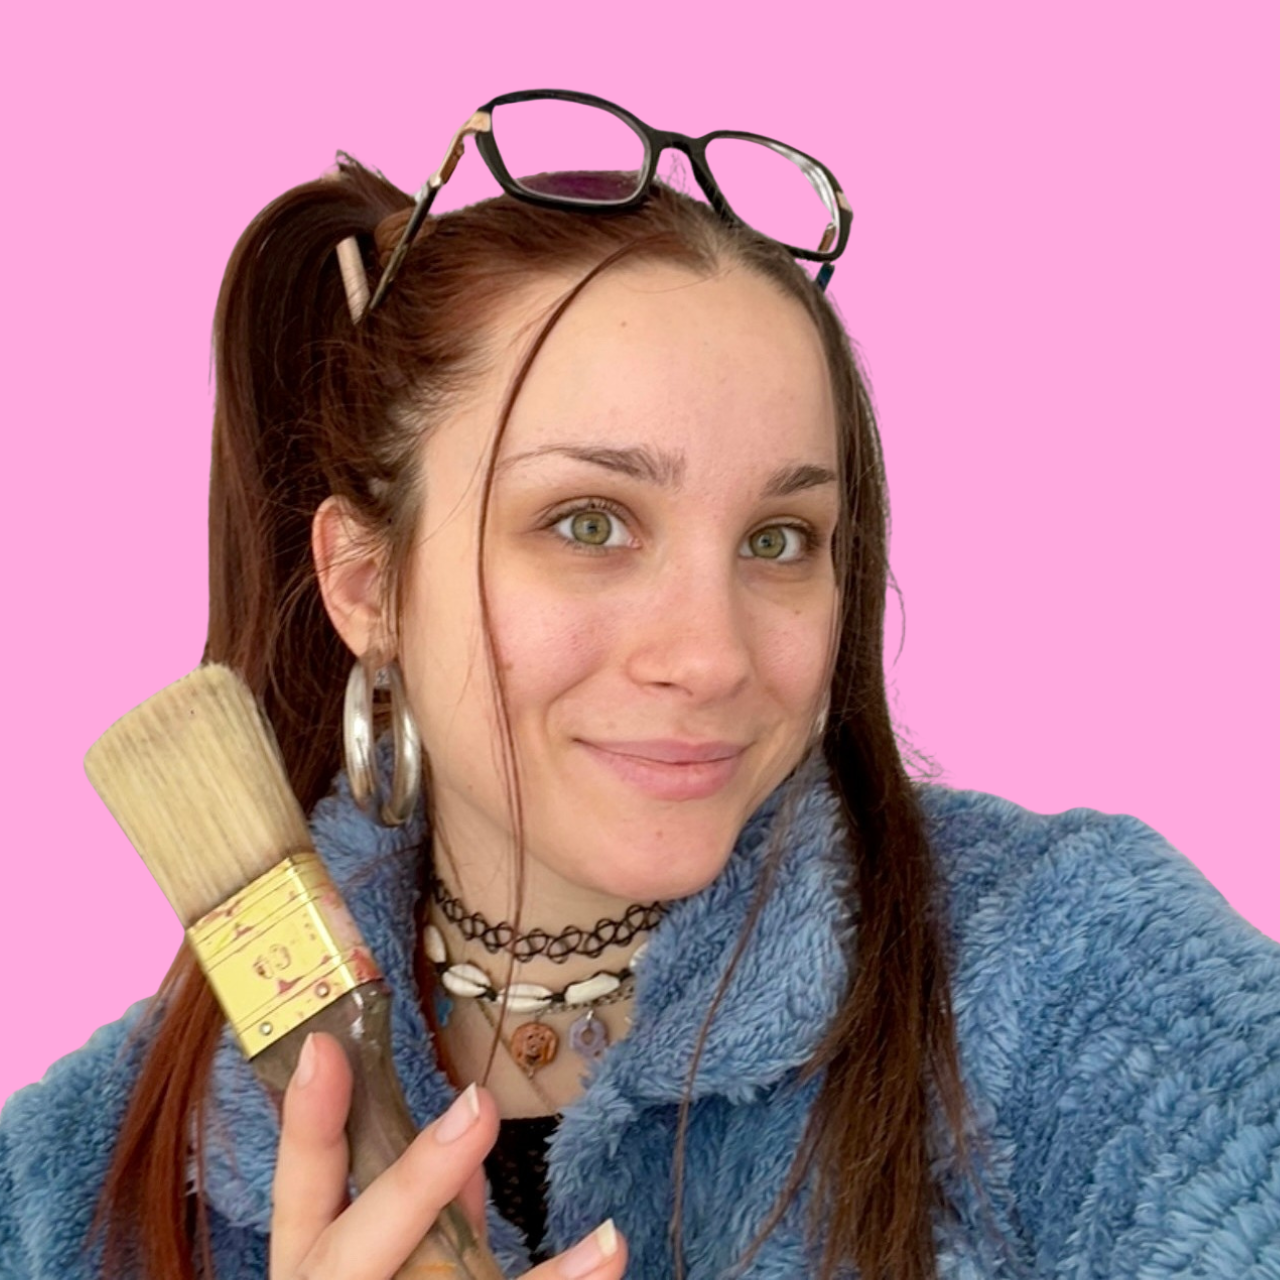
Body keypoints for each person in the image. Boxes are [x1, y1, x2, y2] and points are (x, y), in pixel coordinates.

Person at [1, 89, 1278, 1280]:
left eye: (777, 538)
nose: (711, 654)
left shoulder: (1085, 985)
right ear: (367, 582)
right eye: (589, 523)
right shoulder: (63, 1184)